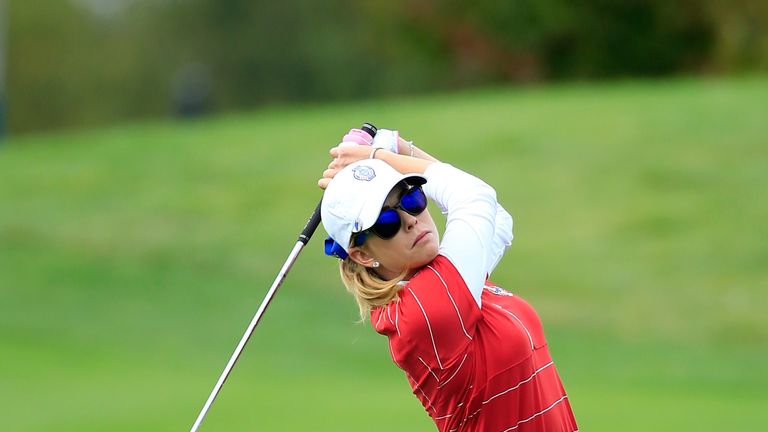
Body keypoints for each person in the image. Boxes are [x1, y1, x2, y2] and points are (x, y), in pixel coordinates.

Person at [319, 127, 578, 432]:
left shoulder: (445, 281)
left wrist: (400, 149)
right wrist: (381, 155)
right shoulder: (425, 309)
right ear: (361, 255)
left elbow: (497, 219)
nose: (411, 219)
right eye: (387, 221)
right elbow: (474, 196)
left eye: (412, 198)